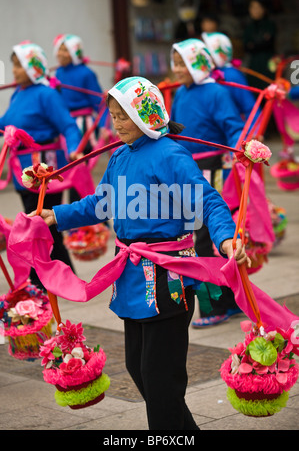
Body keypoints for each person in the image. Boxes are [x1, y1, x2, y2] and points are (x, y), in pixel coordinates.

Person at [29, 76, 249, 430]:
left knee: (160, 375)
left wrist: (226, 239)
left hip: (167, 276)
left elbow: (206, 200)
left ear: (147, 115)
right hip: (130, 275)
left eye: (123, 116)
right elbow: (102, 202)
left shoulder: (169, 154)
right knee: (137, 366)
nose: (115, 123)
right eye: (113, 115)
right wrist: (56, 215)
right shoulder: (119, 156)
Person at [170, 38, 245, 327]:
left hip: (213, 168)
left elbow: (234, 127)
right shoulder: (180, 93)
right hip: (186, 169)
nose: (176, 69)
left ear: (196, 63)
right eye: (174, 63)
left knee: (204, 239)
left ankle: (217, 305)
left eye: (181, 63)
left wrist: (241, 151)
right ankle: (226, 301)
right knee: (192, 237)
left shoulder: (216, 92)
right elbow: (174, 128)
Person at [0, 41, 82, 288]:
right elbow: (6, 123)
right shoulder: (19, 93)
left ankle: (60, 278)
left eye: (18, 66)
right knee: (34, 224)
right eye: (13, 66)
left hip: (43, 169)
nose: (13, 72)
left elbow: (67, 125)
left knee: (46, 225)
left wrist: (75, 149)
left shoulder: (46, 93)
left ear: (32, 66)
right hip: (20, 168)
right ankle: (44, 278)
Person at [53, 34, 109, 202]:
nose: (60, 54)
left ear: (74, 52)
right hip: (64, 126)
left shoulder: (86, 73)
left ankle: (86, 218)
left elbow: (100, 103)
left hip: (84, 127)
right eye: (59, 50)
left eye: (65, 50)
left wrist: (104, 127)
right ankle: (82, 217)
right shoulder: (57, 73)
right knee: (68, 171)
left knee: (78, 170)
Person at [202, 31, 260, 123]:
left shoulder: (232, 75)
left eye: (207, 50)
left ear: (218, 53)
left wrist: (253, 133)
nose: (203, 55)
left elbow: (250, 107)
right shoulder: (206, 74)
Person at [243, 0, 276, 90]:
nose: (255, 10)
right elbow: (246, 46)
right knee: (255, 87)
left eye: (258, 7)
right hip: (253, 62)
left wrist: (254, 45)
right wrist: (260, 42)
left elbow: (267, 43)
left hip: (268, 61)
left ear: (263, 9)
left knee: (270, 87)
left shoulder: (269, 25)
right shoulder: (248, 27)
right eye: (253, 8)